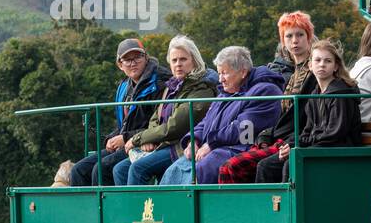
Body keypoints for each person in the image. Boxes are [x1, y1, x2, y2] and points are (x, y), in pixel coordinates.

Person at [159, 46, 284, 185]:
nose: (220, 79)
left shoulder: (266, 91)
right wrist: (194, 140)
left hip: (242, 147)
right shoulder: (225, 92)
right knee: (173, 169)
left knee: (205, 167)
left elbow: (244, 129)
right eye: (219, 73)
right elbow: (206, 122)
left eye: (224, 73)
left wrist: (211, 143)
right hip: (213, 146)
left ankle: (197, 205)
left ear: (242, 72)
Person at [218, 11, 318, 184]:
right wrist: (266, 135)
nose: (295, 41)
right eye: (289, 36)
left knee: (232, 166)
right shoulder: (294, 73)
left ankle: (253, 210)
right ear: (283, 41)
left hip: (295, 140)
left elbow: (306, 118)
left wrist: (287, 141)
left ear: (309, 38)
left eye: (300, 35)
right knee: (229, 165)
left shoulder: (314, 72)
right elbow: (284, 117)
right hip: (281, 137)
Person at [112, 35, 216, 185]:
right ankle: (126, 208)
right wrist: (150, 140)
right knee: (120, 169)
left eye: (183, 59)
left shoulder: (202, 89)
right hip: (164, 143)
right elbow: (156, 116)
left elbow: (175, 126)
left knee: (138, 168)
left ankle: (140, 208)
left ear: (194, 60)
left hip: (181, 145)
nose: (178, 64)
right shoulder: (172, 86)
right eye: (174, 60)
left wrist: (140, 138)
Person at [254, 39, 362, 182]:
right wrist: (292, 146)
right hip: (318, 145)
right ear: (310, 65)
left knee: (291, 164)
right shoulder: (314, 95)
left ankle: (293, 204)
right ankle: (269, 204)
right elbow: (308, 130)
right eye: (317, 60)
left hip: (338, 149)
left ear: (336, 66)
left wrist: (300, 148)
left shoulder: (342, 94)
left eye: (328, 61)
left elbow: (335, 133)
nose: (322, 64)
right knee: (265, 165)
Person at [68, 38, 163, 185]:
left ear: (146, 57)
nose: (133, 63)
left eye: (138, 57)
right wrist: (111, 139)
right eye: (127, 59)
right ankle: (85, 208)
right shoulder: (124, 87)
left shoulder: (159, 83)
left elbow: (159, 126)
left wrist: (124, 138)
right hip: (126, 142)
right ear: (120, 64)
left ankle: (106, 208)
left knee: (101, 169)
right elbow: (125, 125)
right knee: (78, 170)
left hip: (146, 143)